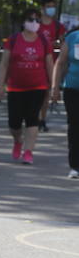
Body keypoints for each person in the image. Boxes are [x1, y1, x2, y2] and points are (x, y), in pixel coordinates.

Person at [0, 10, 54, 165]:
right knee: (14, 123)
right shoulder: (13, 40)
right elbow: (4, 64)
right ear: (23, 21)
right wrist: (0, 85)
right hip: (15, 87)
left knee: (32, 119)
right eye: (30, 19)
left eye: (37, 20)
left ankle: (28, 152)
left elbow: (49, 64)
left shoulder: (43, 41)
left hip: (37, 86)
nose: (34, 23)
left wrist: (53, 85)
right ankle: (18, 141)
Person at [51, 20, 79, 178]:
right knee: (75, 125)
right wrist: (55, 88)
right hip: (73, 89)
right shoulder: (72, 37)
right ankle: (75, 165)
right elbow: (60, 63)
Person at [37, 0, 61, 131]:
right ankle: (33, 118)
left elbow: (63, 42)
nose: (51, 9)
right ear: (43, 8)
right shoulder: (36, 24)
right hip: (37, 63)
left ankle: (42, 119)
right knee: (35, 93)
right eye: (48, 7)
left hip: (51, 63)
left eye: (53, 6)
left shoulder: (58, 26)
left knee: (46, 93)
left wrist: (58, 44)